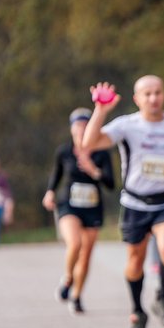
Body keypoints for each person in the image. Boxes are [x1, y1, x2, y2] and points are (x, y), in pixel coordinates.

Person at [81, 76, 164, 328]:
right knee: (135, 260)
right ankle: (137, 312)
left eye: (157, 92)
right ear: (137, 99)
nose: (153, 98)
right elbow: (89, 143)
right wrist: (101, 111)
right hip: (135, 202)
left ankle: (160, 297)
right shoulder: (127, 125)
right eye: (147, 94)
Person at [42, 108, 115, 314]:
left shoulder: (101, 153)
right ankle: (68, 278)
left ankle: (77, 295)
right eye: (78, 126)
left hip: (92, 208)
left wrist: (94, 171)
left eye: (86, 125)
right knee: (75, 243)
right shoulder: (64, 151)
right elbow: (56, 175)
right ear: (72, 129)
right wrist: (49, 192)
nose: (82, 130)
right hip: (69, 204)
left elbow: (110, 184)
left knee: (86, 255)